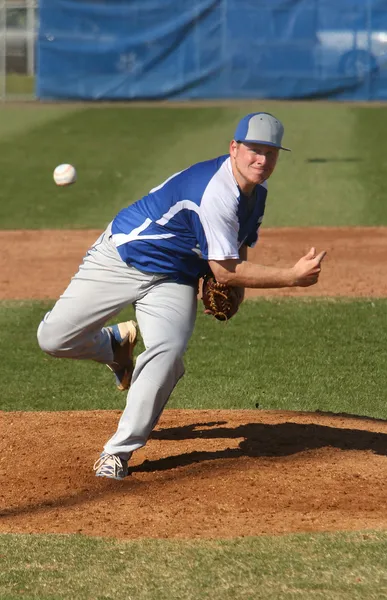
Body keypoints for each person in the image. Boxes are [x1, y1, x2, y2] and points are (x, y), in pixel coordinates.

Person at [37, 112, 326, 480]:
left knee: (168, 353)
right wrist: (292, 277)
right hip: (125, 256)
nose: (262, 160)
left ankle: (118, 452)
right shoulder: (214, 191)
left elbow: (236, 250)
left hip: (174, 278)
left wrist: (236, 292)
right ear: (234, 148)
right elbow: (223, 270)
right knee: (53, 339)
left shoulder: (255, 195)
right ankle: (113, 347)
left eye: (271, 153)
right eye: (254, 150)